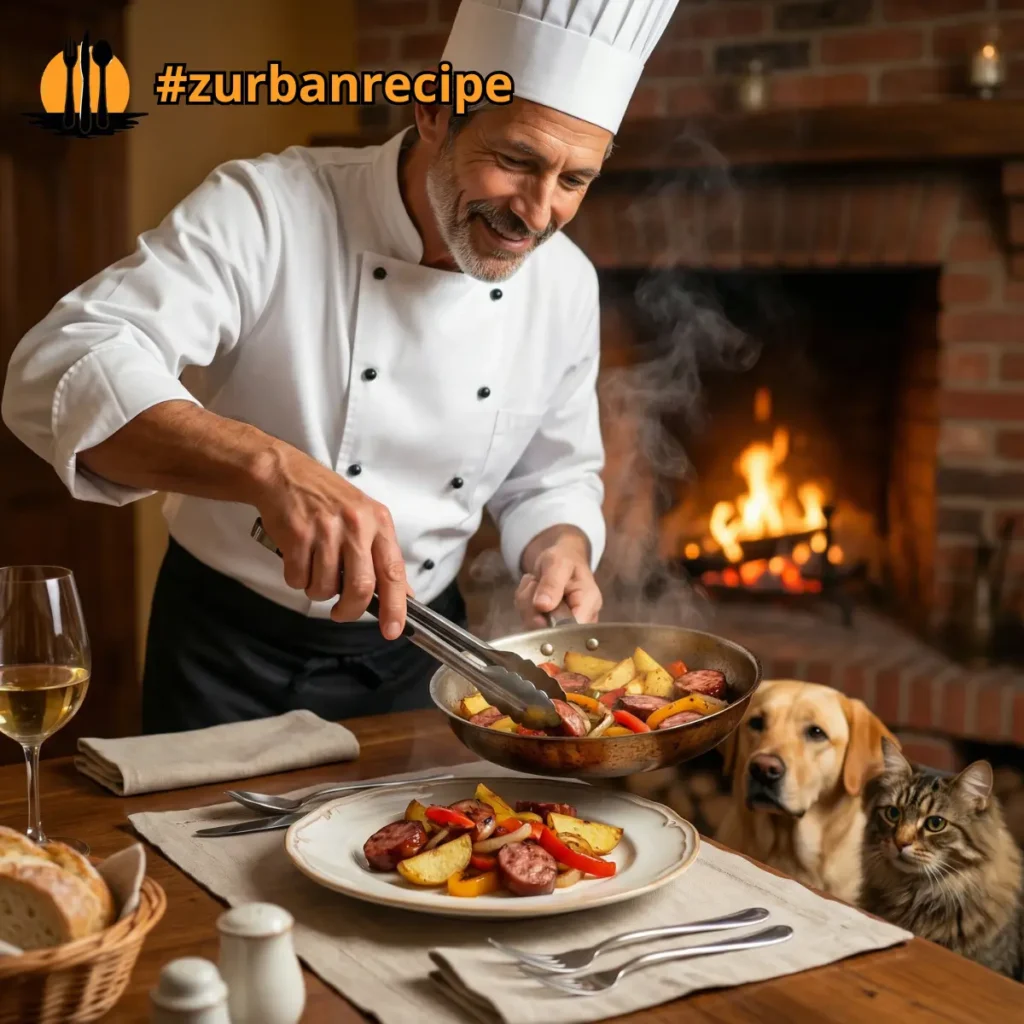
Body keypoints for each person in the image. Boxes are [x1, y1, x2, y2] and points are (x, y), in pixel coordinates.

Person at [1, 0, 678, 733]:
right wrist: (267, 467)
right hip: (228, 659)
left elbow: (553, 476)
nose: (538, 214)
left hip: (426, 662)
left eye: (574, 180)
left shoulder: (566, 283)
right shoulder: (269, 208)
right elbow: (62, 361)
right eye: (516, 161)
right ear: (433, 112)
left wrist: (560, 544)